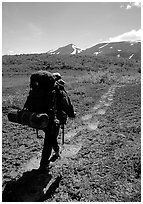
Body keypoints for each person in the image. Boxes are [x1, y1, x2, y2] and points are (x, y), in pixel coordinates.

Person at [39, 73, 75, 171]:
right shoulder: (58, 89)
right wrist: (71, 114)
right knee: (49, 140)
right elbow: (66, 103)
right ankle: (44, 164)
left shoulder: (44, 89)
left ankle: (57, 151)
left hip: (43, 118)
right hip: (54, 119)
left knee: (50, 136)